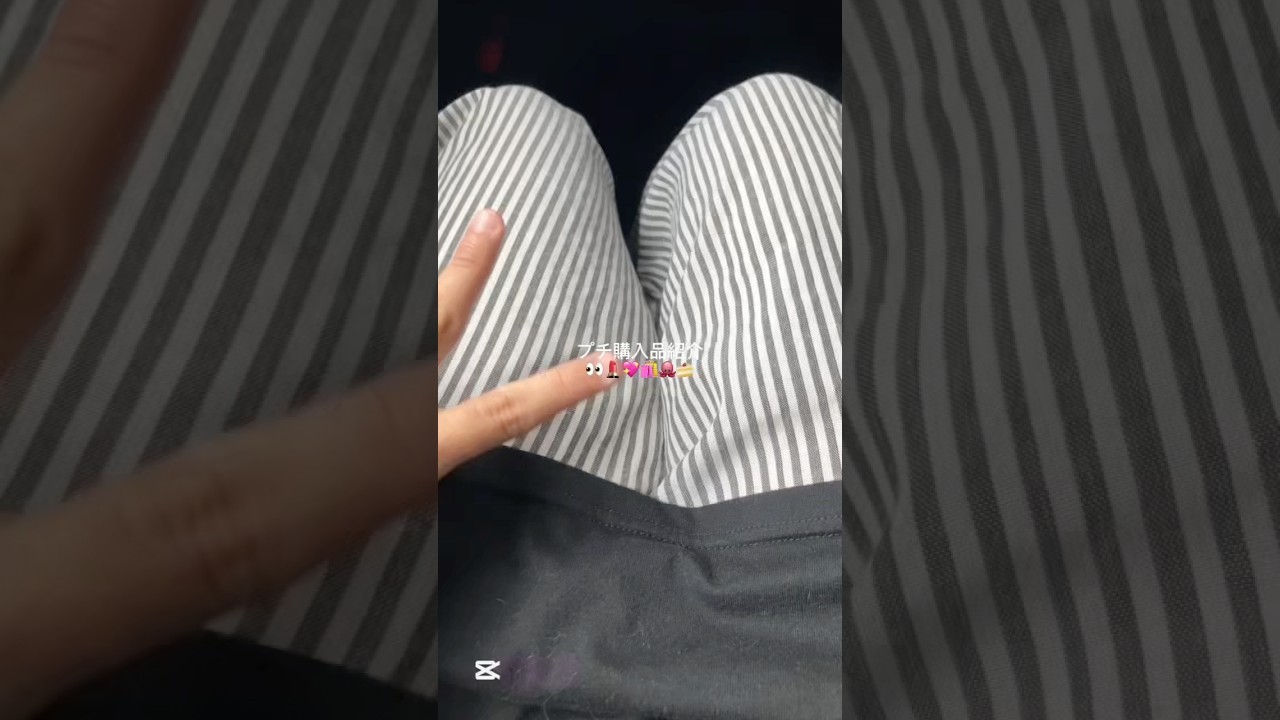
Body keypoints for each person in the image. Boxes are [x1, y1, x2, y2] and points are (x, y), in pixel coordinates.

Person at [0, 0, 843, 716]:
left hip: (516, 633)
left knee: (526, 125)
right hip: (800, 627)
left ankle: (661, 350)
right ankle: (665, 349)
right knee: (775, 119)